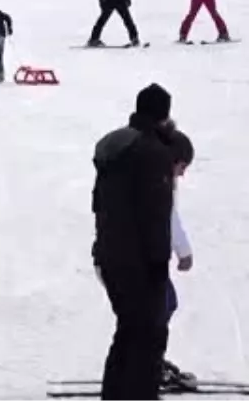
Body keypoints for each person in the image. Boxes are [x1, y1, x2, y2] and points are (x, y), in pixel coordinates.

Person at [90, 83, 178, 401]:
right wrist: (158, 263)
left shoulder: (118, 147)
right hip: (139, 260)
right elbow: (155, 213)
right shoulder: (152, 153)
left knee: (128, 330)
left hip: (111, 254)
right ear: (163, 114)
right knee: (149, 335)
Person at [160, 130, 197, 392]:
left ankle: (150, 362)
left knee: (163, 305)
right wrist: (184, 252)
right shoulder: (158, 180)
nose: (182, 174)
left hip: (136, 258)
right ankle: (147, 365)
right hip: (133, 259)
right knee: (159, 307)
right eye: (182, 166)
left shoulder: (158, 176)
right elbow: (168, 219)